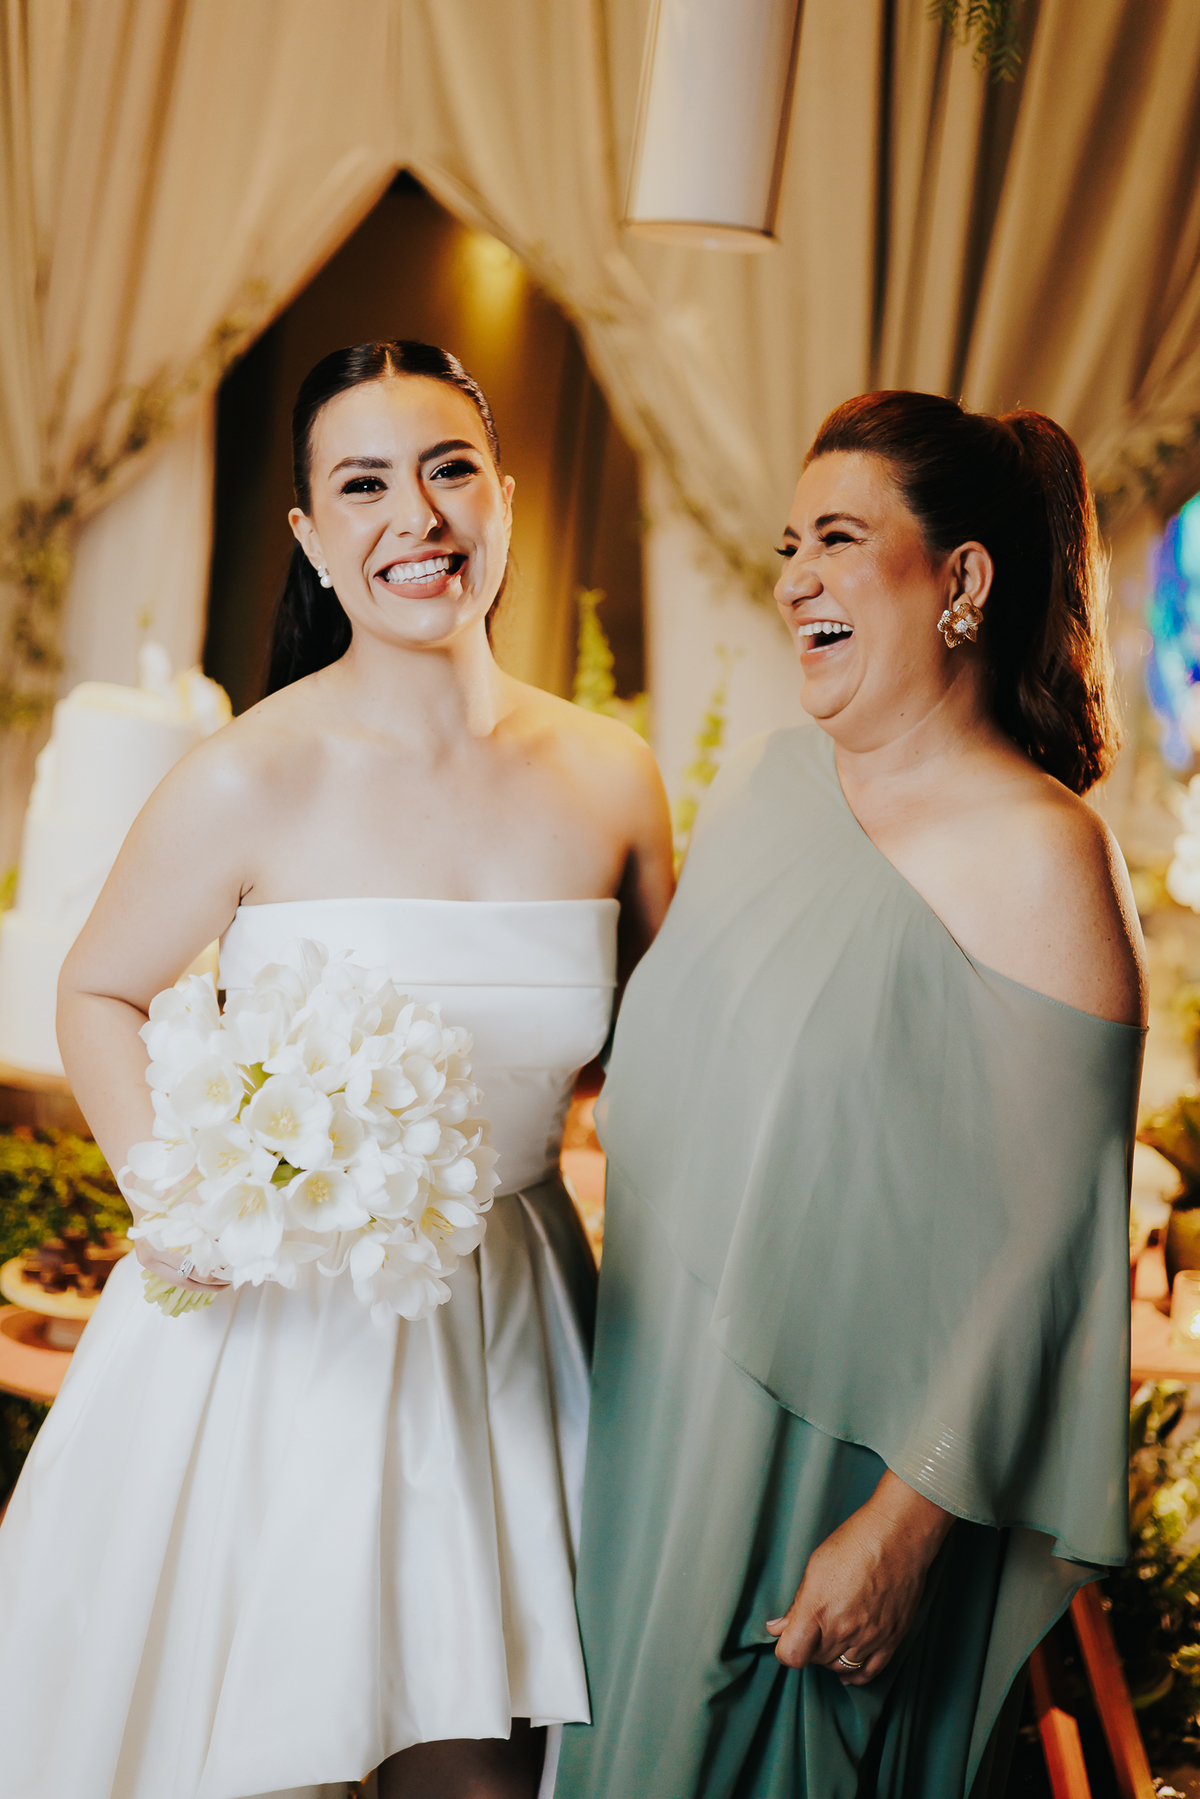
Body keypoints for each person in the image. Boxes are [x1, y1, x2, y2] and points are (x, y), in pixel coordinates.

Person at [0, 340, 673, 1799]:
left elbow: (664, 1063)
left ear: (503, 499)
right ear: (310, 535)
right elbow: (96, 987)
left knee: (488, 1772)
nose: (415, 517)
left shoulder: (614, 778)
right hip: (284, 1333)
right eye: (363, 485)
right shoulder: (248, 771)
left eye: (448, 471)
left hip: (519, 1322)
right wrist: (185, 1200)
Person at [556, 391, 1146, 1799]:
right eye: (789, 546)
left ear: (961, 580)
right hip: (651, 1425)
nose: (794, 579)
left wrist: (906, 1524)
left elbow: (1049, 1251)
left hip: (830, 1473)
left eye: (837, 538)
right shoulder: (764, 792)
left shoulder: (1043, 853)